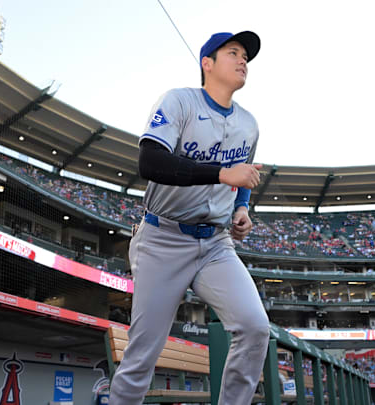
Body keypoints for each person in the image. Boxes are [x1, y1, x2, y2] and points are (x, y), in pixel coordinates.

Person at [108, 31, 267, 405]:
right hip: (163, 237)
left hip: (215, 243)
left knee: (255, 326)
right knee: (143, 353)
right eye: (233, 52)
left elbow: (242, 176)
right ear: (207, 64)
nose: (243, 60)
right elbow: (151, 162)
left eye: (246, 55)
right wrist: (220, 174)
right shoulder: (178, 101)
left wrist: (241, 207)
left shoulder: (249, 124)